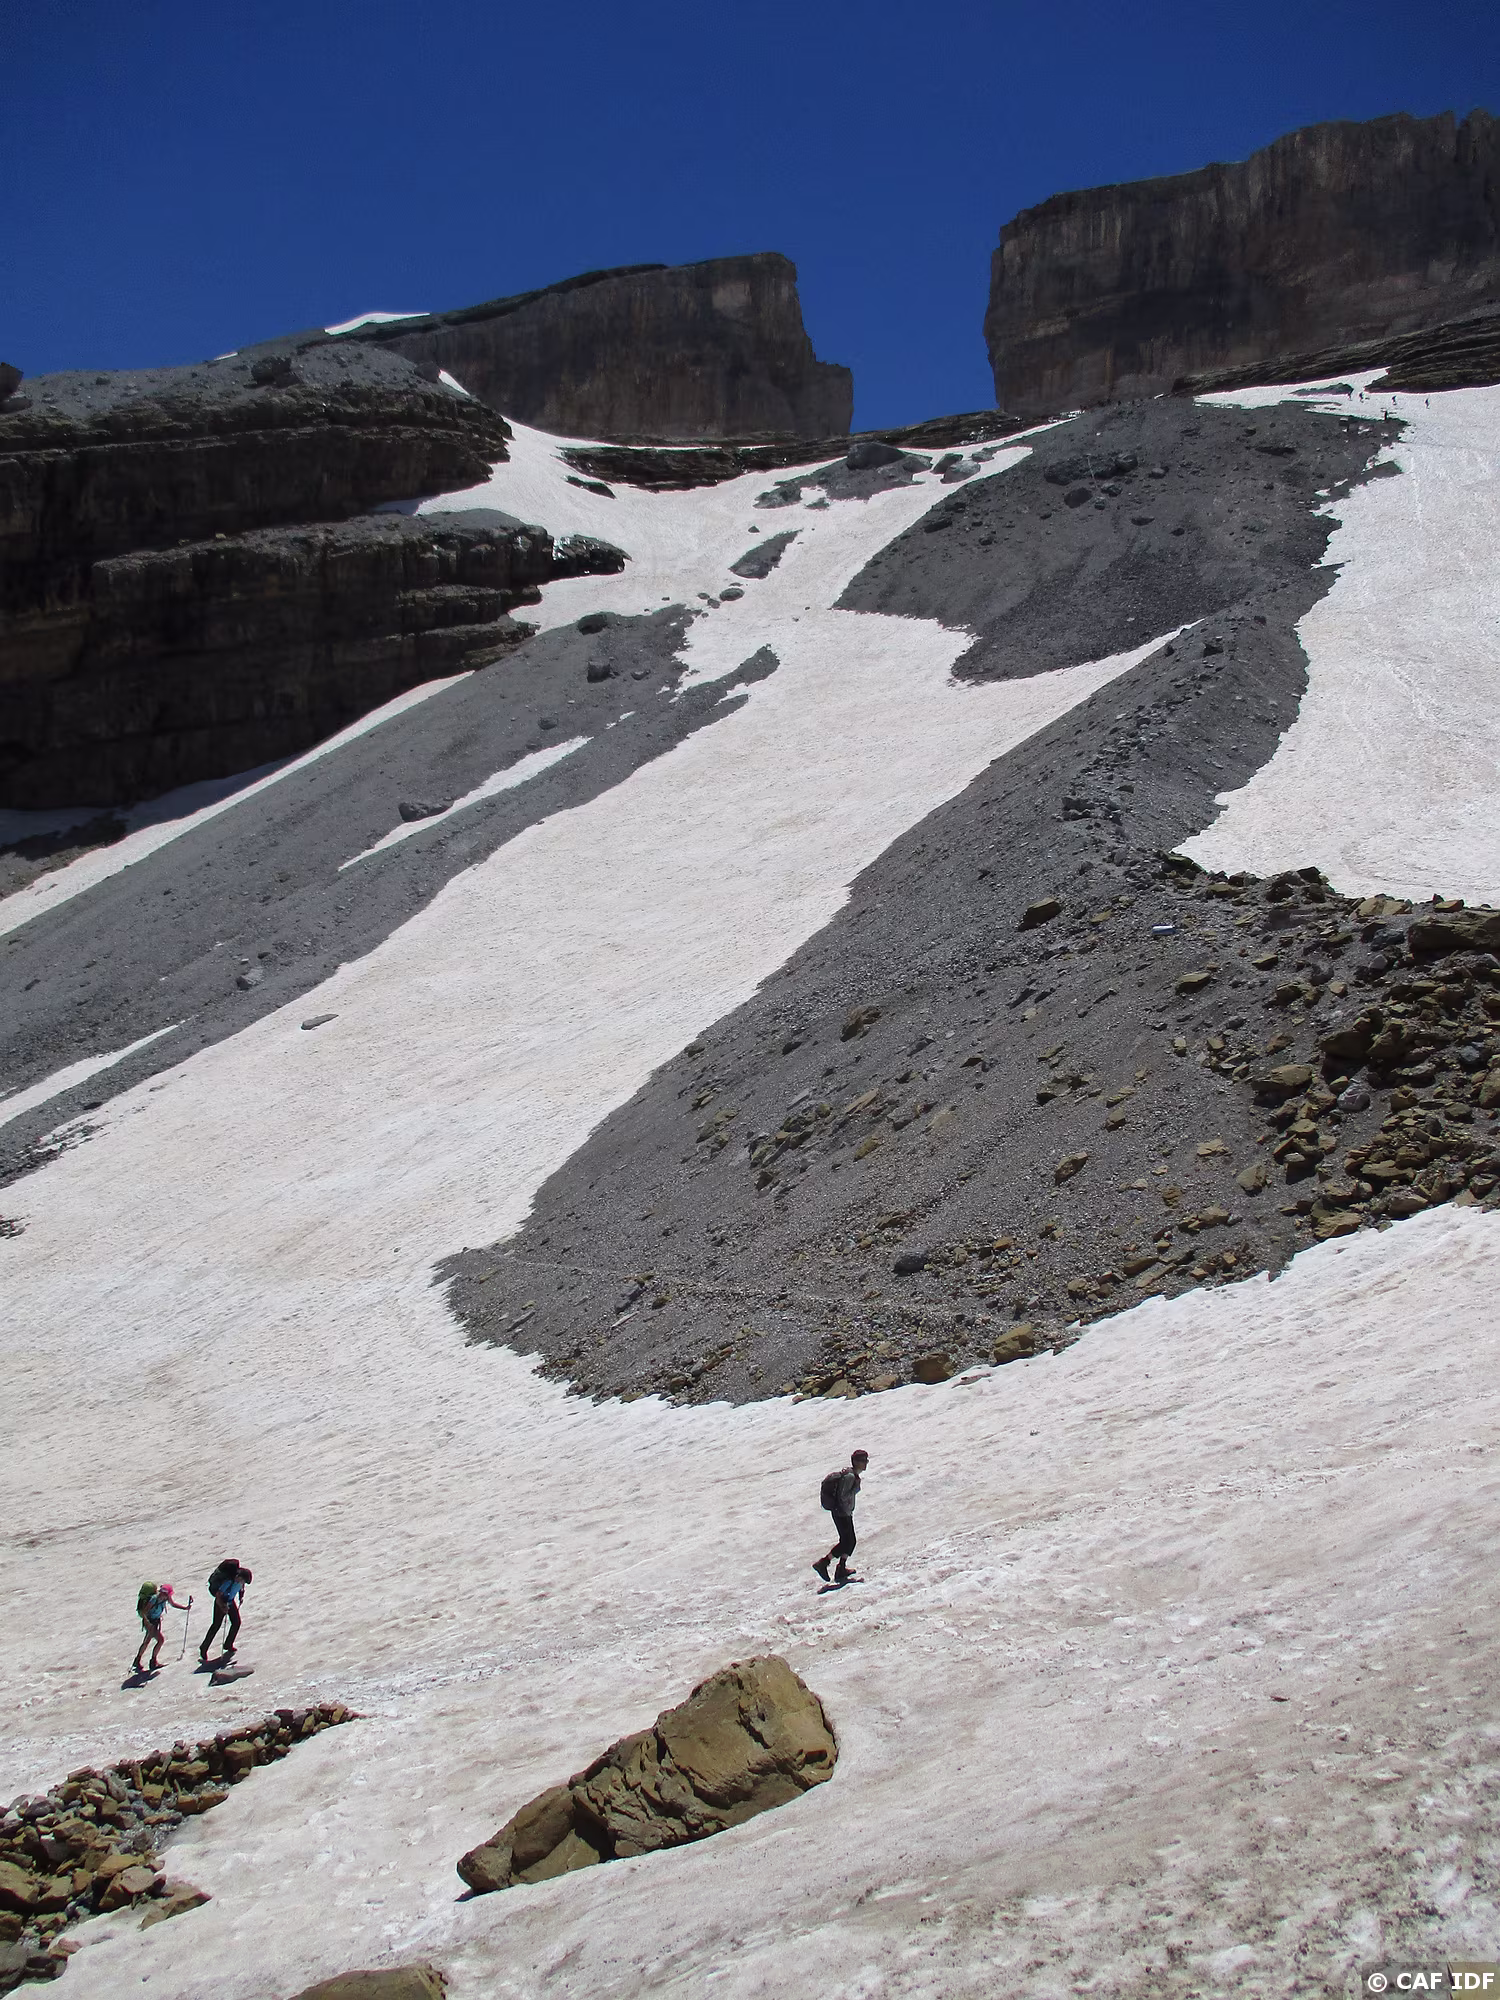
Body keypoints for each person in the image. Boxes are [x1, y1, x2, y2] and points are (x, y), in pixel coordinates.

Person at [813, 1449, 869, 1583]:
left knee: (850, 1541)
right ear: (856, 1462)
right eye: (863, 1461)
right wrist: (855, 1489)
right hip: (842, 1513)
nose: (866, 1463)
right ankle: (824, 1563)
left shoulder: (852, 1475)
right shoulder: (850, 1477)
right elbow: (843, 1496)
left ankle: (840, 1568)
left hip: (843, 1512)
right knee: (846, 1542)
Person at [199, 1559, 252, 1662]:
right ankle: (204, 1648)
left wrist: (241, 1595)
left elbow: (241, 1588)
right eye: (242, 1580)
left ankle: (228, 1644)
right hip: (221, 1602)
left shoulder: (239, 1582)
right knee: (216, 1625)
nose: (242, 1583)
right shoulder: (228, 1581)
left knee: (236, 1622)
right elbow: (218, 1595)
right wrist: (223, 1606)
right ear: (239, 1576)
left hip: (230, 1602)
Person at [132, 1581, 188, 1674]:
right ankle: (152, 1662)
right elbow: (145, 1612)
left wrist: (185, 1608)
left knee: (147, 1642)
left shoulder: (164, 1598)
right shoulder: (154, 1599)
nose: (169, 1597)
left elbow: (173, 1604)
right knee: (160, 1640)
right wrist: (148, 1623)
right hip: (150, 1623)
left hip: (153, 1622)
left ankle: (138, 1660)